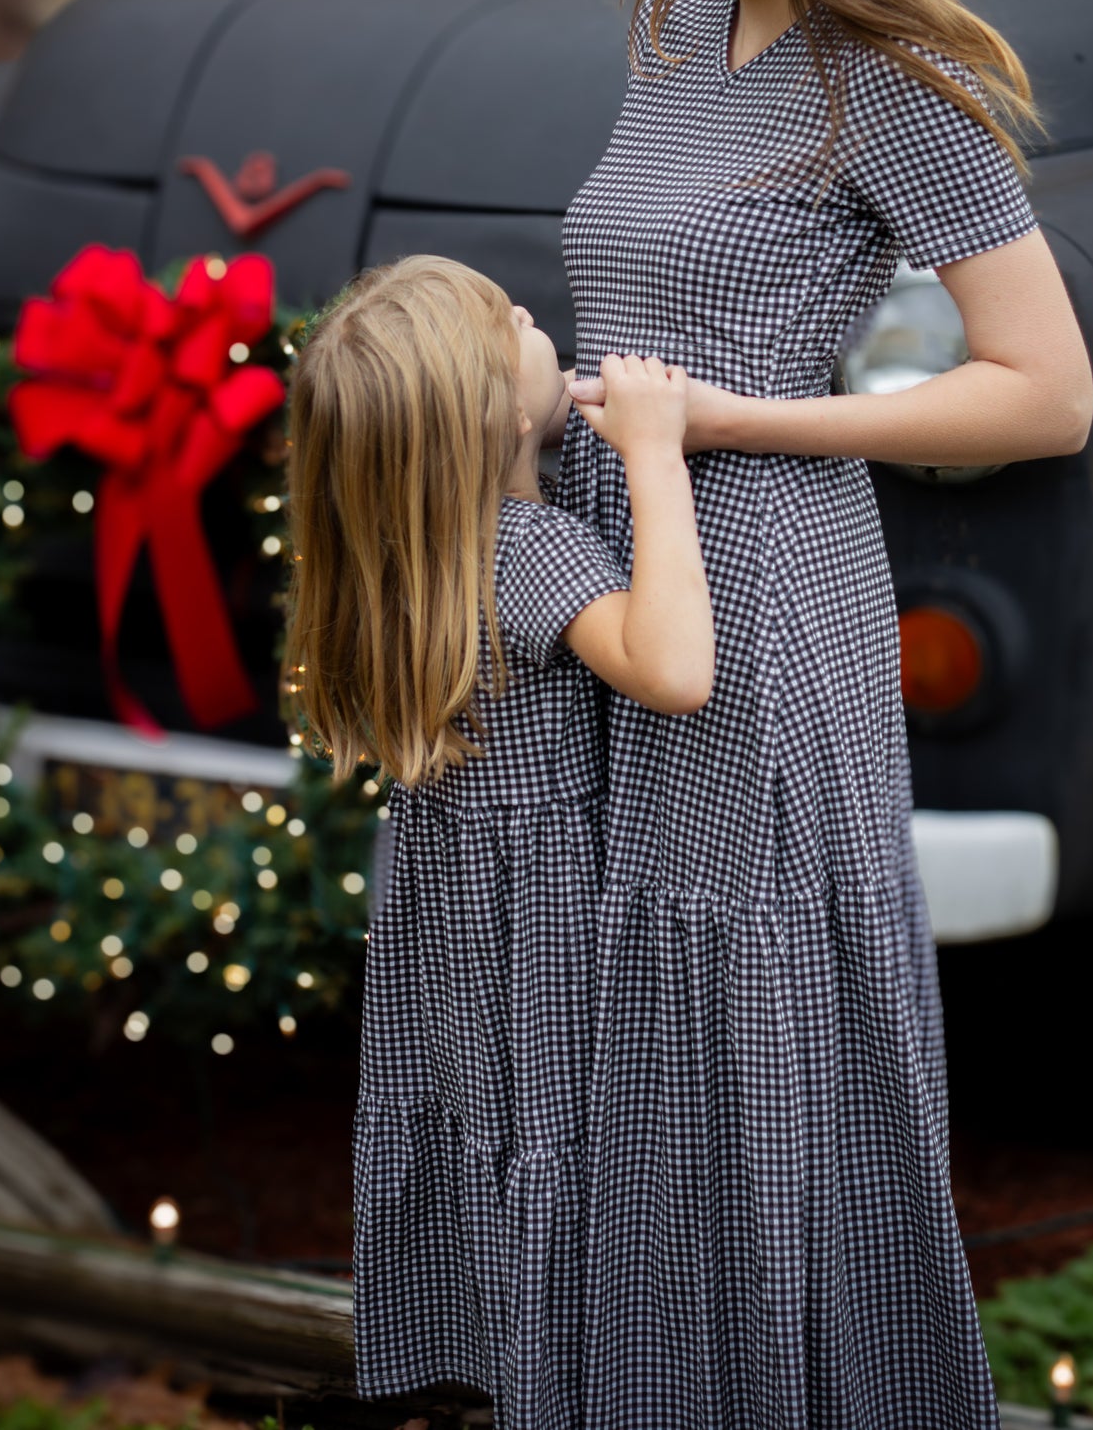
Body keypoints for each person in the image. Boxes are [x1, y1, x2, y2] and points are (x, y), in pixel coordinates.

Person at [553, 0, 1093, 1430]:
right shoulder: (671, 33)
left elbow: (1046, 395)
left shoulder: (893, 86)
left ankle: (805, 1393)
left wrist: (734, 421)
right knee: (633, 1006)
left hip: (768, 594)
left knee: (754, 1008)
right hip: (616, 563)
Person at [284, 254, 714, 1430]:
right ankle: (566, 1380)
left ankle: (487, 1355)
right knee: (559, 1137)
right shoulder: (522, 550)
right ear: (495, 412)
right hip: (544, 910)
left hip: (455, 896)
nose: (535, 318)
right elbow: (673, 668)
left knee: (488, 1124)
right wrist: (657, 452)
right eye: (512, 322)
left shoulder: (416, 550)